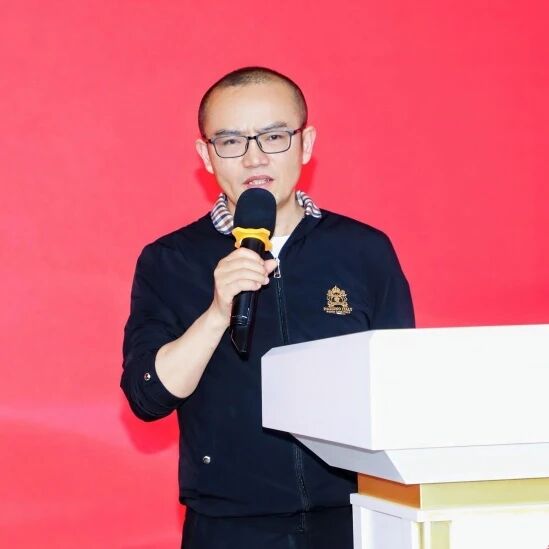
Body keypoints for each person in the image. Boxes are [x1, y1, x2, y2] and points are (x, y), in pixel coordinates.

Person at [121, 66, 415, 549]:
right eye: (231, 141)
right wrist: (217, 313)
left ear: (305, 143)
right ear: (206, 155)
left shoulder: (363, 250)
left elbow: (402, 386)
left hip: (355, 517)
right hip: (229, 525)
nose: (254, 157)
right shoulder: (170, 260)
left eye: (274, 137)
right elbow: (147, 396)